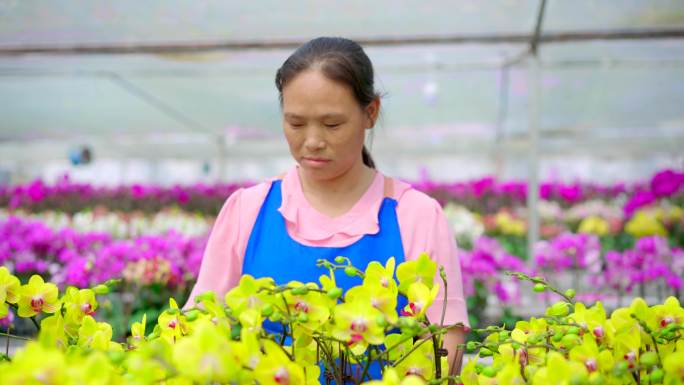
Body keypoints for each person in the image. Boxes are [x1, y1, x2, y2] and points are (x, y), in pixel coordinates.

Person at [184, 36, 469, 381]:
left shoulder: (416, 216)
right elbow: (199, 325)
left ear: (371, 113)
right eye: (296, 123)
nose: (313, 140)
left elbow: (444, 344)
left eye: (332, 124)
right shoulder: (247, 211)